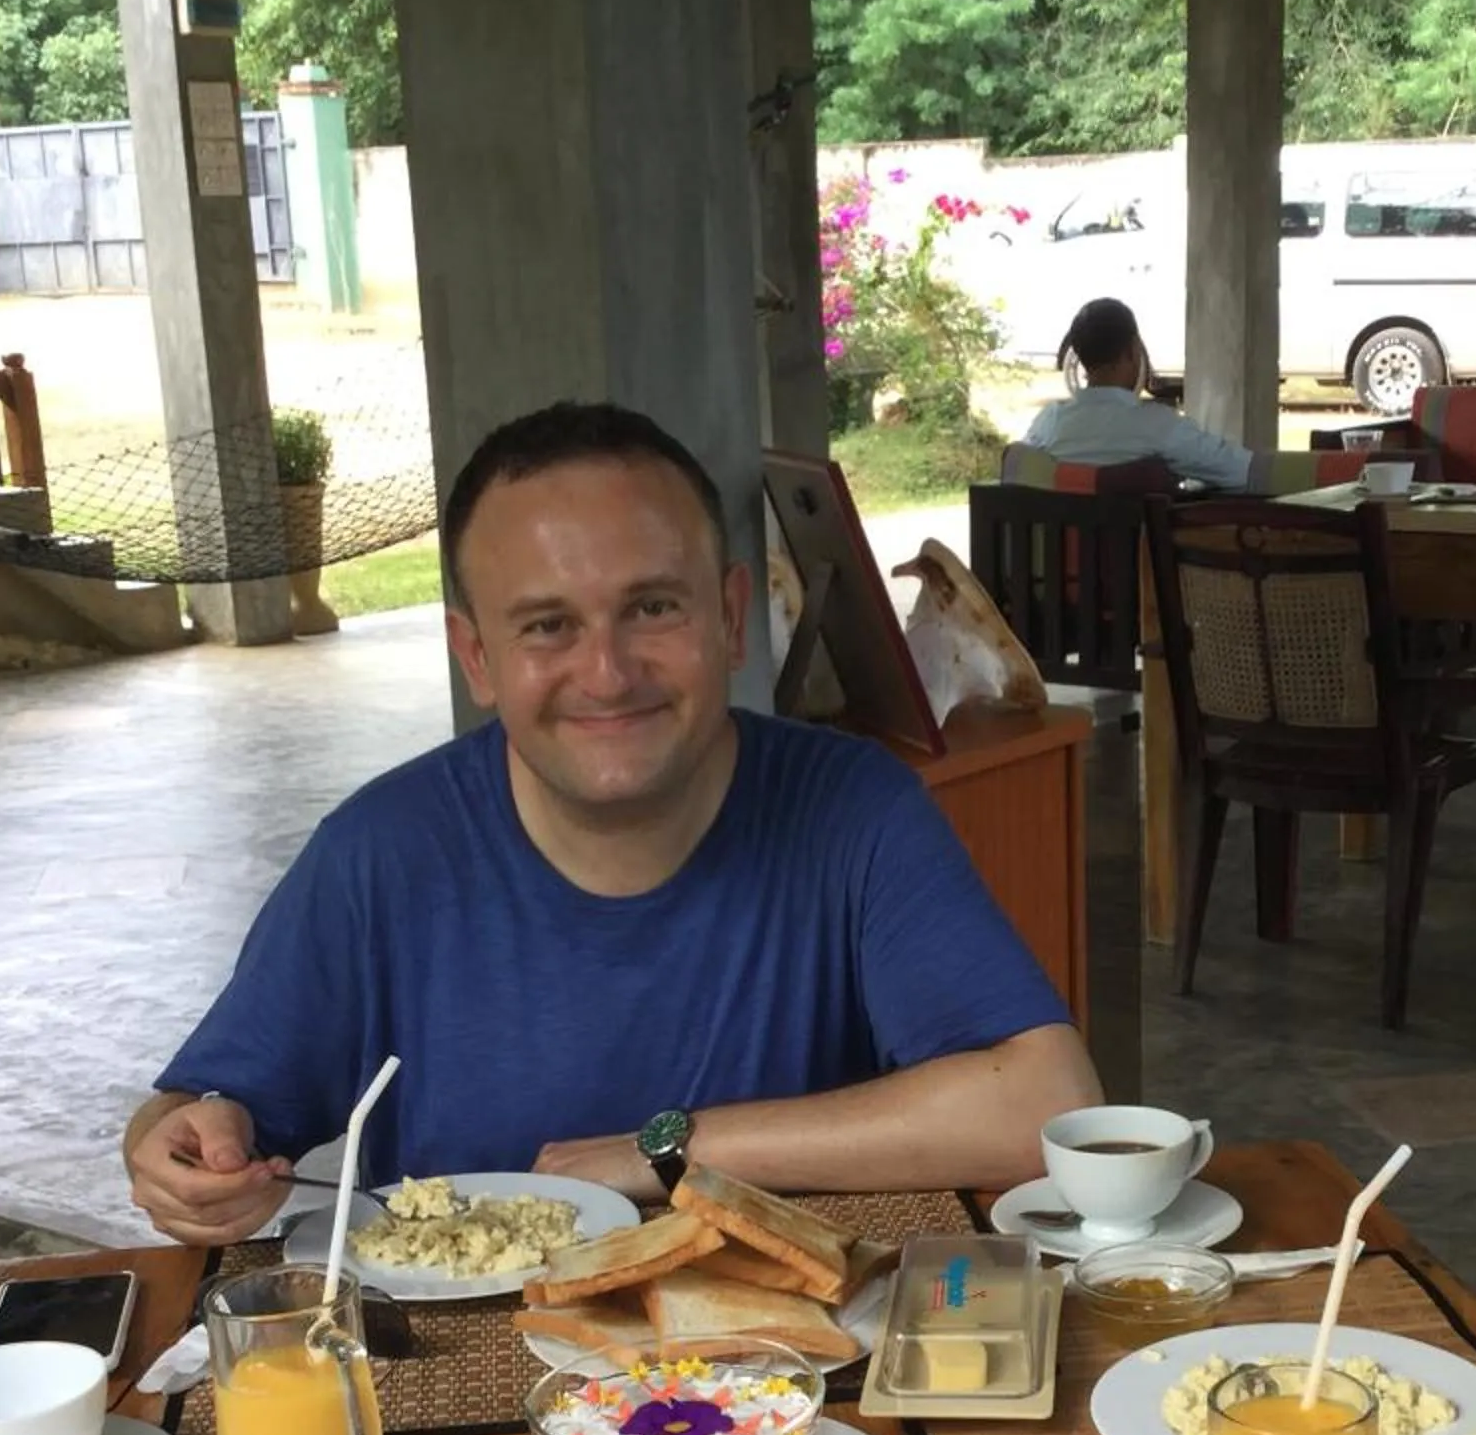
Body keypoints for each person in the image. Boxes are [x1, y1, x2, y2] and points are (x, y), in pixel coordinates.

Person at [123, 399, 1100, 1245]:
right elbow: (209, 1112)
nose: (606, 673)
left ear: (729, 618)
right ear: (476, 657)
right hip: (473, 1397)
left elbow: (1045, 1102)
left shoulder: (854, 812)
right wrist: (180, 1147)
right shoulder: (381, 858)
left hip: (786, 1380)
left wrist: (662, 1151)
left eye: (652, 608)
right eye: (548, 626)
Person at [1020, 298, 1262, 491]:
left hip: (1064, 552)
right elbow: (1243, 472)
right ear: (1133, 351)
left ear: (1080, 357)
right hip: (1138, 553)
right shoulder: (1160, 426)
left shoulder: (1048, 424)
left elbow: (1016, 470)